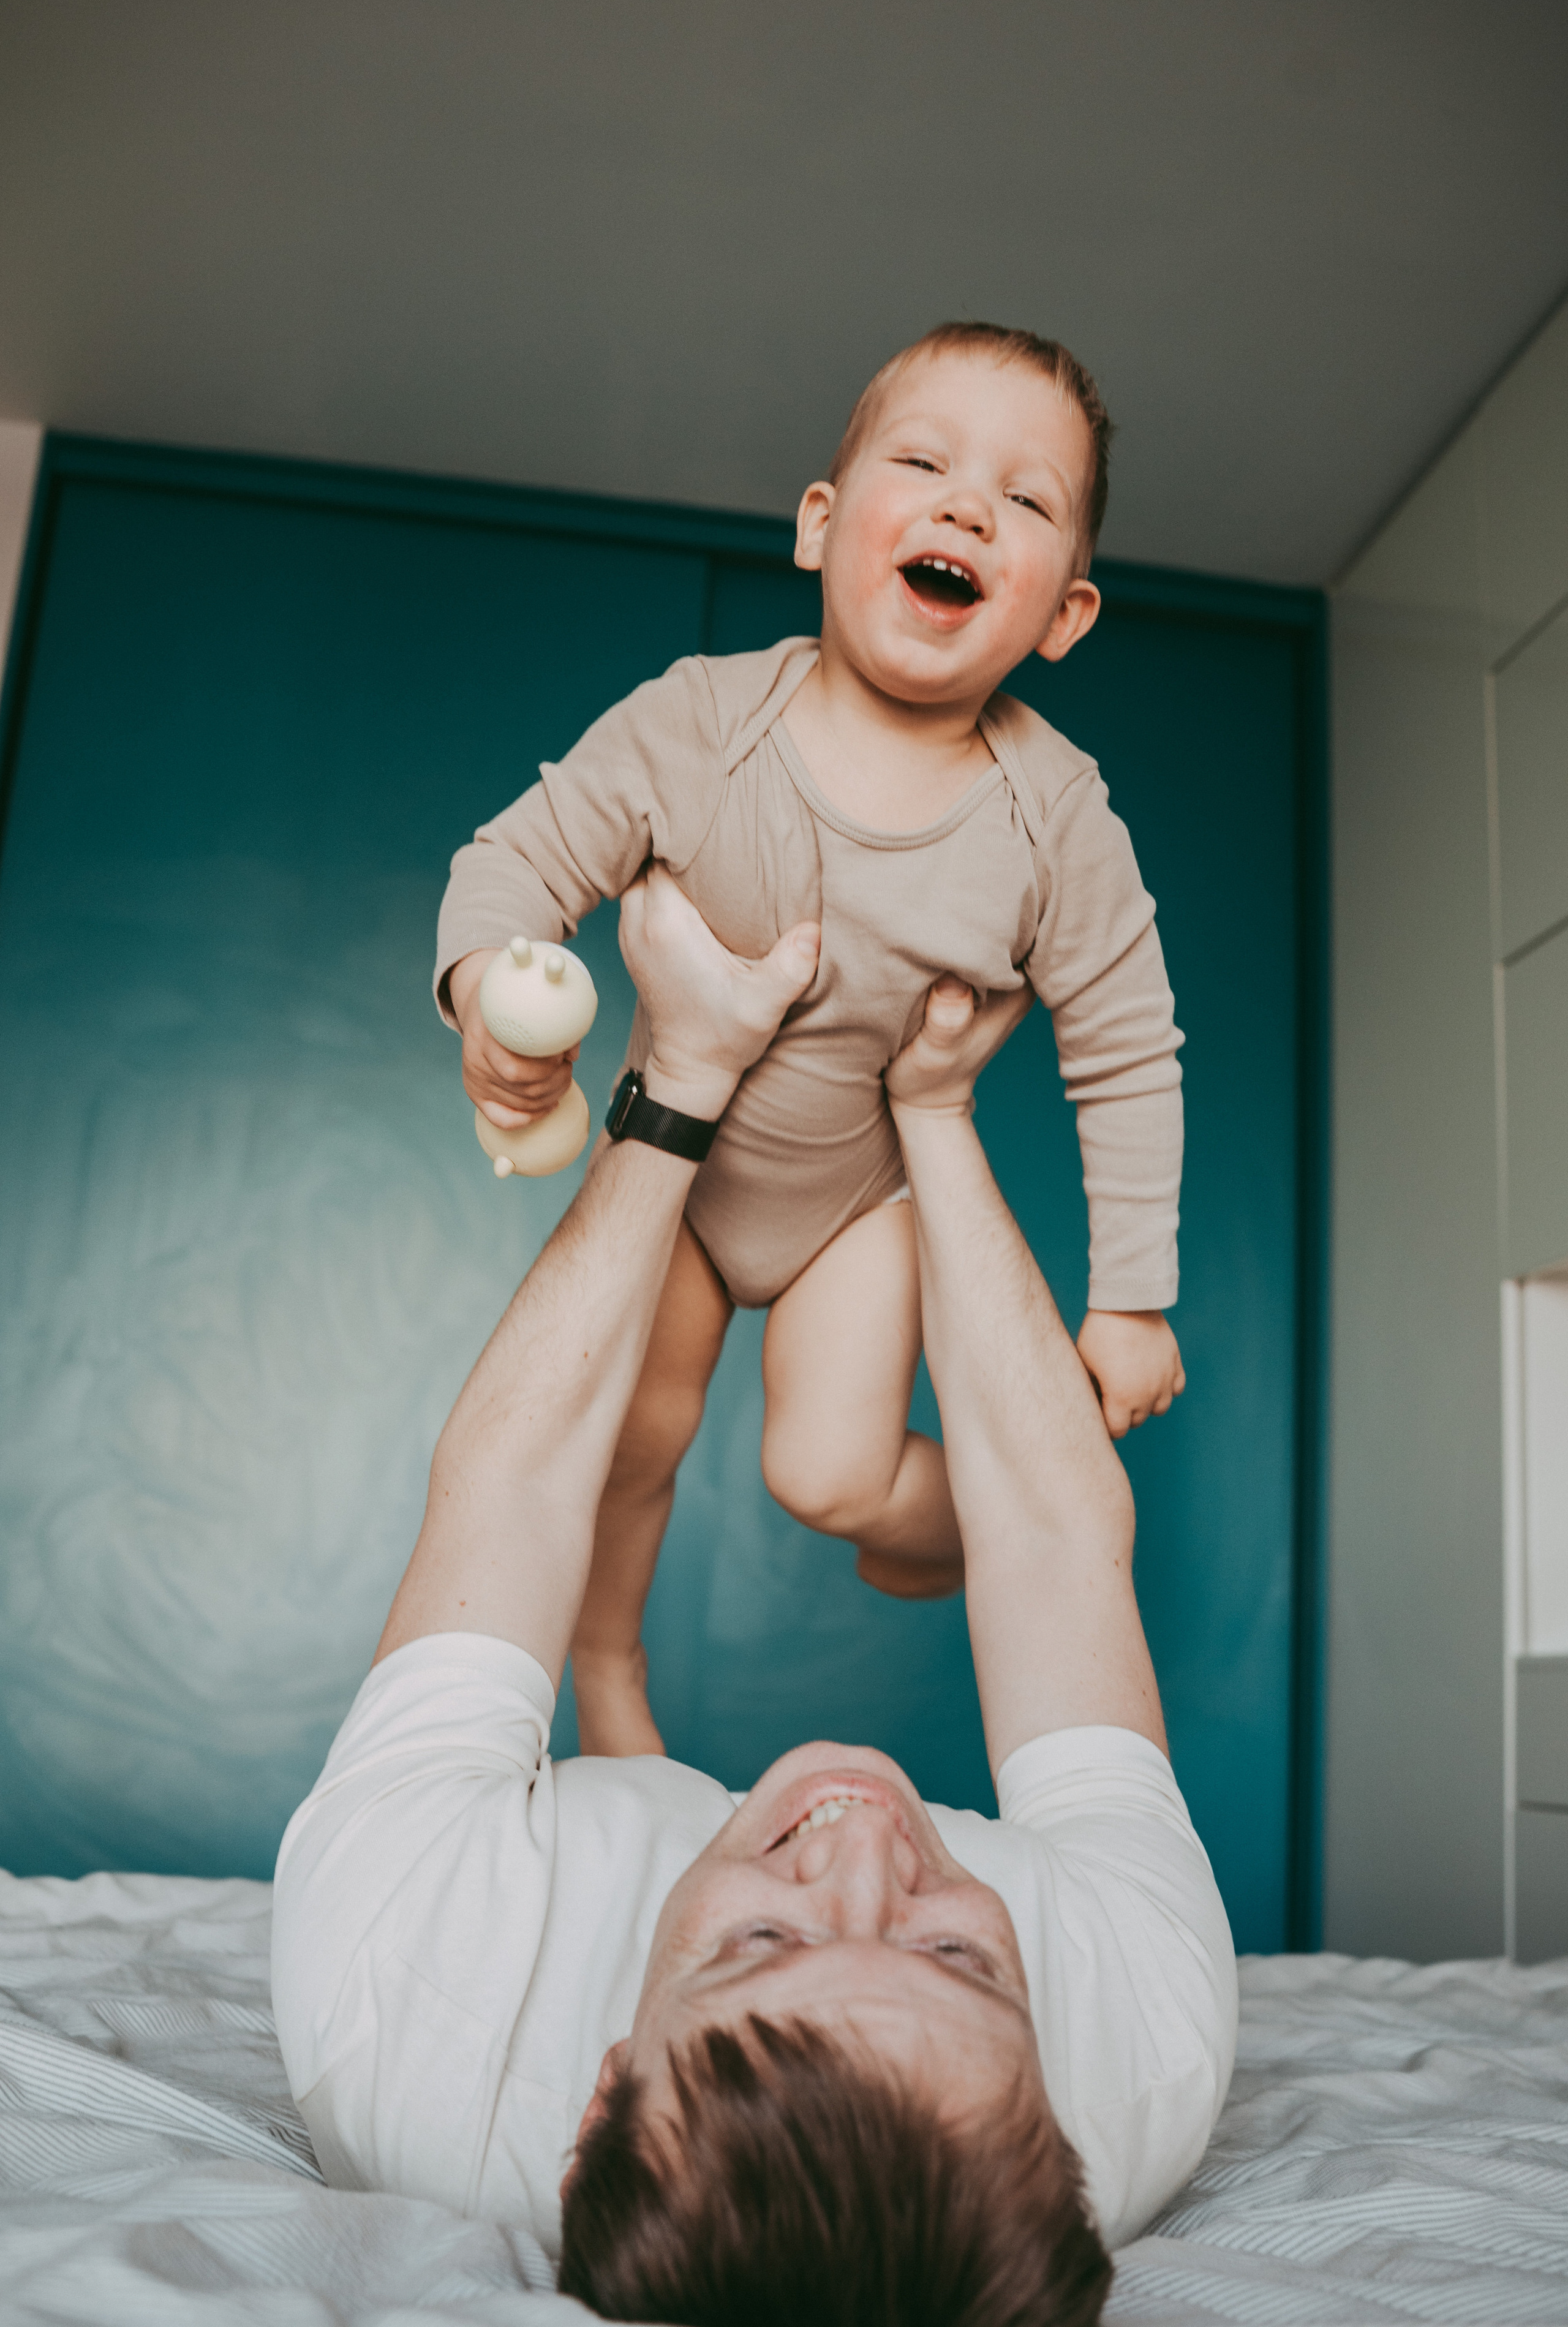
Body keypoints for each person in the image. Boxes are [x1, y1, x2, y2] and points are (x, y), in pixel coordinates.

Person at [271, 867, 1236, 2325]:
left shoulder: (397, 1992)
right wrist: (933, 1111)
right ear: (1059, 2101)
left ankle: (630, 1695)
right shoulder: (1141, 2046)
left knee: (630, 1451)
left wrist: (683, 1075)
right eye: (958, 1957)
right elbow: (1051, 1538)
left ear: (599, 2096)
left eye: (763, 1944)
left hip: (517, 1875)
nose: (863, 1849)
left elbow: (516, 1478)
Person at [435, 320, 1187, 1756]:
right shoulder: (698, 724)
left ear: (1059, 617)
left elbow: (1124, 1044)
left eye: (1025, 501)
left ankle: (963, 1520)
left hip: (858, 1204)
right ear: (821, 527)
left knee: (828, 1474)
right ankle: (609, 1675)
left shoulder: (1056, 815)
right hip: (681, 1186)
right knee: (630, 1443)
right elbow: (514, 864)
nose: (969, 504)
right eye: (923, 464)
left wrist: (1131, 1293)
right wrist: (488, 1000)